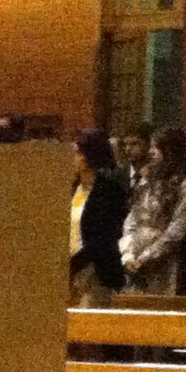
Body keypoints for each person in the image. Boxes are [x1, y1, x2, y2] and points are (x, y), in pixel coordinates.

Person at [121, 125, 186, 295]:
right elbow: (132, 220)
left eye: (157, 147)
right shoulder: (146, 179)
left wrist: (146, 258)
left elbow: (177, 229)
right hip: (135, 252)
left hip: (164, 261)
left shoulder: (185, 183)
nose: (152, 152)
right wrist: (128, 255)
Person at [70, 128, 129, 303]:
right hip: (67, 272)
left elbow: (104, 236)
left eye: (78, 153)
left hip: (94, 271)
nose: (73, 158)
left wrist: (75, 263)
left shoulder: (110, 191)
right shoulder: (71, 188)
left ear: (90, 156)